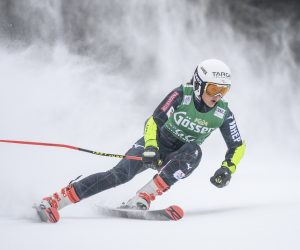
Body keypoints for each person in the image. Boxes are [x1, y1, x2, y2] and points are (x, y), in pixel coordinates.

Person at [37, 59, 246, 223]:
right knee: (119, 175)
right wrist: (151, 147)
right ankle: (55, 201)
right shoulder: (182, 95)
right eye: (212, 89)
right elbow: (153, 121)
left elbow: (237, 145)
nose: (217, 95)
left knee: (194, 150)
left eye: (223, 90)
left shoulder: (222, 113)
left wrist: (227, 168)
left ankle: (142, 198)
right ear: (199, 84)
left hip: (179, 155)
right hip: (155, 143)